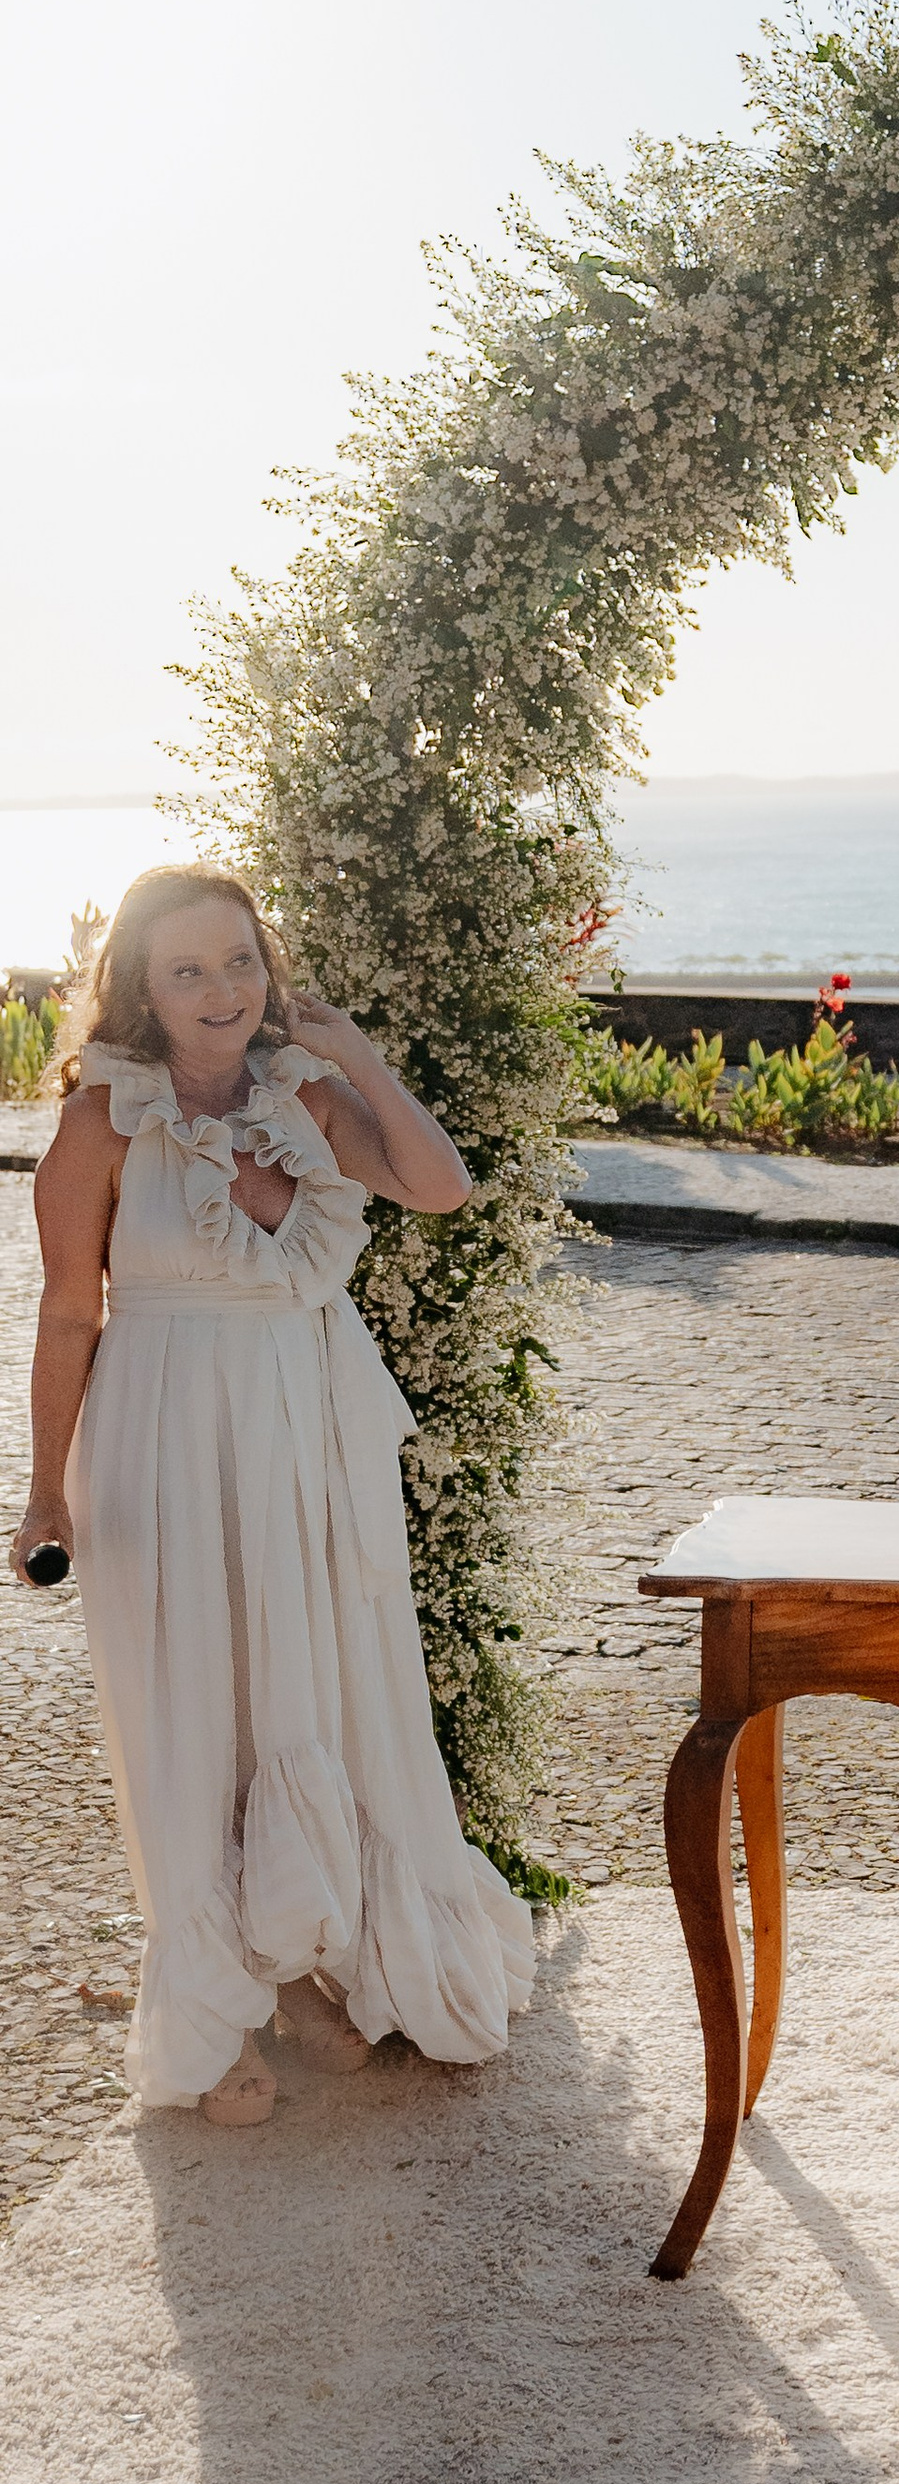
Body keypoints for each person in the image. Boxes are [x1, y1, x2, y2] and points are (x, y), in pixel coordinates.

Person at [10, 866, 534, 2127]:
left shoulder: (305, 1095)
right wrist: (41, 1491)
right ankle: (217, 2005)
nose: (222, 991)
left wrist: (348, 1048)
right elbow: (71, 1309)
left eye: (240, 961)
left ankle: (311, 1972)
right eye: (187, 969)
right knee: (191, 1700)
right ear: (138, 985)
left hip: (305, 1426)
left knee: (315, 1683)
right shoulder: (100, 1121)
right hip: (163, 1424)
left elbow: (439, 1184)